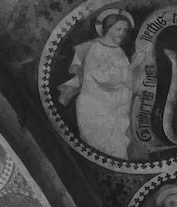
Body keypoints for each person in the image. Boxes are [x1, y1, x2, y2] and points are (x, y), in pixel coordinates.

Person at [60, 9, 142, 158]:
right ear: (107, 28)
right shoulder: (96, 49)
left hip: (117, 112)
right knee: (103, 151)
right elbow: (104, 79)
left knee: (118, 152)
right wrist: (133, 65)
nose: (122, 33)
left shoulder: (119, 51)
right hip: (96, 111)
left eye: (125, 30)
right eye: (118, 29)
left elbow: (127, 80)